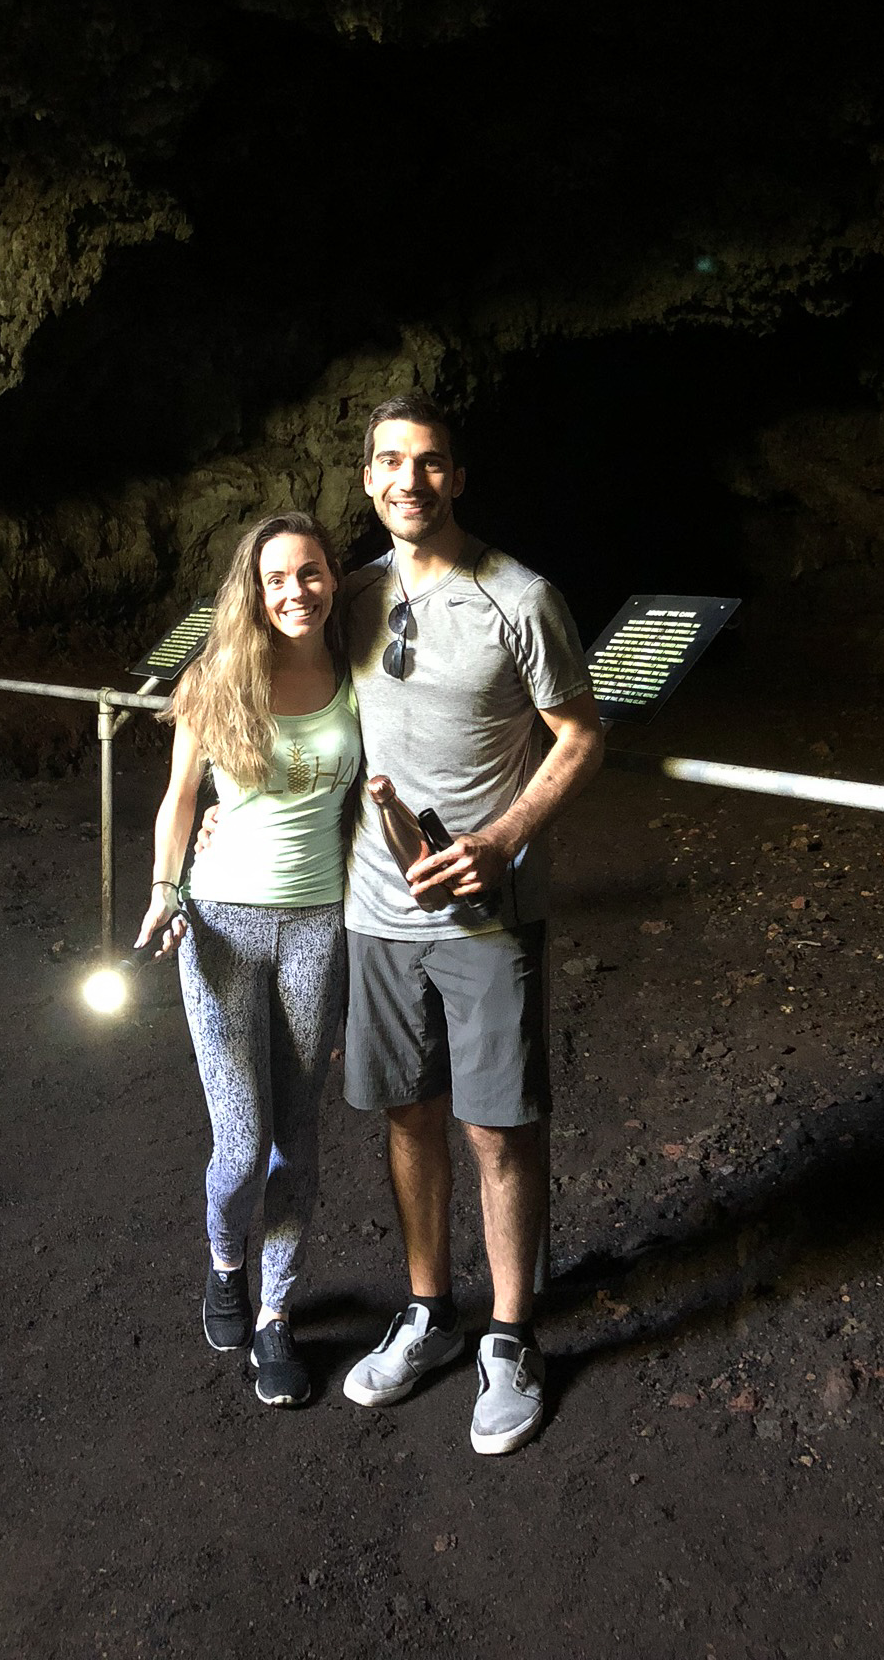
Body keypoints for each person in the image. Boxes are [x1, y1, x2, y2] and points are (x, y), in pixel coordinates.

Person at [339, 392, 604, 1454]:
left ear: (458, 477)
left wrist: (503, 838)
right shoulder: (353, 595)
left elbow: (580, 734)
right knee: (409, 1112)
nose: (410, 479)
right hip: (377, 907)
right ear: (368, 478)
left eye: (431, 462)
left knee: (497, 1125)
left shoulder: (520, 598)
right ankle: (427, 1311)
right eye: (391, 462)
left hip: (486, 915)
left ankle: (509, 1334)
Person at [135, 510, 359, 1407]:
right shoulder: (216, 676)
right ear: (253, 591)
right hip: (222, 927)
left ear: (332, 577)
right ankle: (225, 1259)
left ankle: (275, 1314)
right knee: (242, 1142)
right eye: (276, 579)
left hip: (317, 927)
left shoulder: (357, 673)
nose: (296, 592)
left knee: (297, 1140)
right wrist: (165, 888)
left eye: (310, 572)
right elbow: (180, 797)